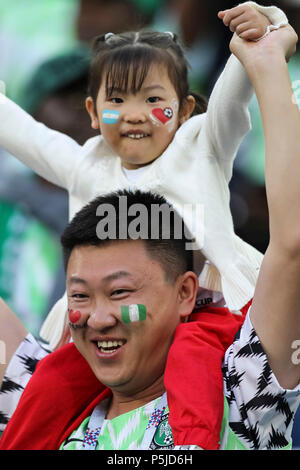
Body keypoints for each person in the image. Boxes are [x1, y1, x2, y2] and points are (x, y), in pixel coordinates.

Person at [0, 2, 290, 449]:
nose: (134, 114)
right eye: (117, 100)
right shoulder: (85, 165)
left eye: (153, 100)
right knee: (51, 379)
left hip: (210, 317)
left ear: (186, 109)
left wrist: (260, 35)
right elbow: (27, 137)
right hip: (107, 340)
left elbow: (238, 88)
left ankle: (192, 446)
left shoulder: (202, 146)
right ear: (93, 113)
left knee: (192, 363)